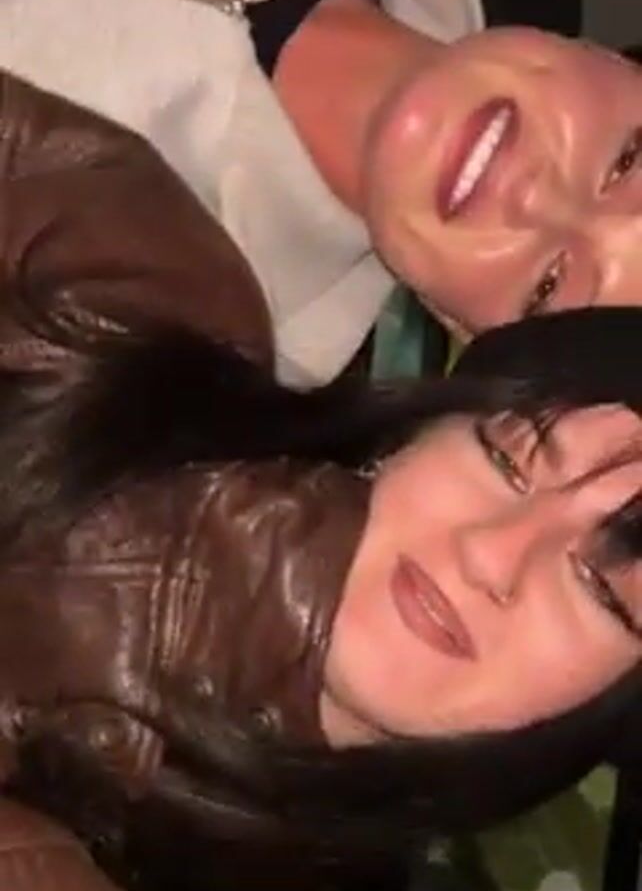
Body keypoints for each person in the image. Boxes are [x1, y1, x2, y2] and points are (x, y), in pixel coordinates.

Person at [0, 69, 639, 891]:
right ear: (412, 437)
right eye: (509, 457)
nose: (491, 554)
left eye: (602, 589)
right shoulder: (142, 301)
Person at [0, 0, 594, 385]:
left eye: (547, 285)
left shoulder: (135, 336)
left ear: (470, 332)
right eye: (627, 162)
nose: (536, 200)